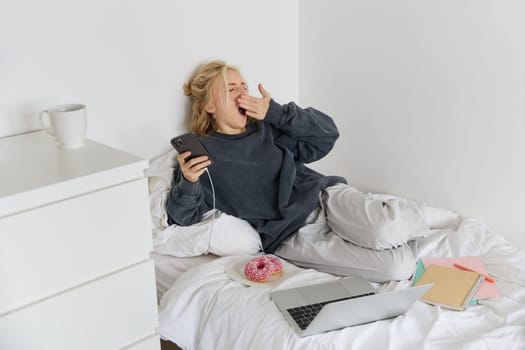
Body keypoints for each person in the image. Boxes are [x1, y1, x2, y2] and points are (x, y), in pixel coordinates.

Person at [166, 60, 454, 282]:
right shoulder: (202, 156)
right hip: (292, 236)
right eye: (231, 89)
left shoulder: (265, 126)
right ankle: (405, 233)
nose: (243, 93)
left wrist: (277, 113)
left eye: (244, 86)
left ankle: (412, 217)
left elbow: (327, 135)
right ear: (210, 105)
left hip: (324, 198)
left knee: (387, 227)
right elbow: (182, 216)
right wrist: (189, 182)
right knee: (398, 268)